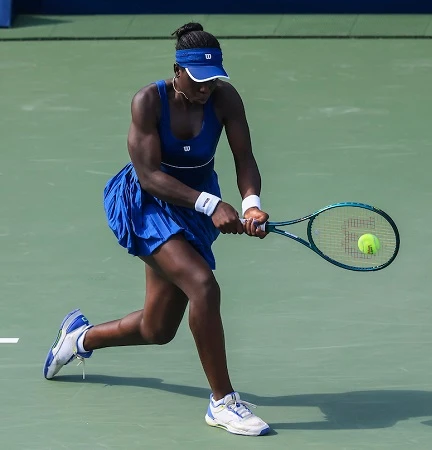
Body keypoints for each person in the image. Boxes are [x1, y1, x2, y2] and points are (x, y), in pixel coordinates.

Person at [42, 22, 271, 437]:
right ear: (177, 70)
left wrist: (250, 204)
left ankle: (80, 338)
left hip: (194, 207)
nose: (206, 88)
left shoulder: (225, 99)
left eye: (213, 79)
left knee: (157, 328)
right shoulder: (148, 101)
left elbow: (244, 157)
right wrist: (210, 204)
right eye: (198, 80)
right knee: (203, 285)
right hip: (147, 204)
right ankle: (223, 402)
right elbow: (149, 176)